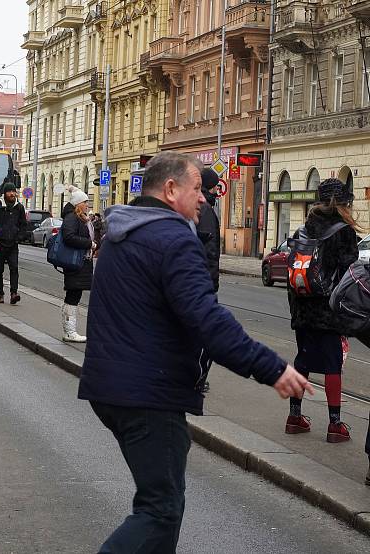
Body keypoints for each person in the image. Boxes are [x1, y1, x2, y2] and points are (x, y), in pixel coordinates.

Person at [78, 151, 312, 553]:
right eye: (197, 189)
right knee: (160, 509)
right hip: (149, 392)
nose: (204, 198)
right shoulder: (171, 239)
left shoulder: (122, 233)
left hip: (111, 385)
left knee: (163, 502)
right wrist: (271, 368)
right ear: (170, 190)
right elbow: (207, 319)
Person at [286, 178, 359, 443]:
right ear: (341, 204)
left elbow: (292, 269)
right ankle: (335, 425)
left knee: (302, 361)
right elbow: (350, 273)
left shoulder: (304, 229)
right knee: (332, 366)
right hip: (329, 309)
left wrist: (296, 308)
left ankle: (295, 417)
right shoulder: (344, 232)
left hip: (302, 307)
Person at [192, 167, 221, 393]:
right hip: (201, 282)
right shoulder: (206, 210)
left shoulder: (194, 203)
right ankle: (197, 379)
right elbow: (209, 250)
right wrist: (211, 285)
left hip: (193, 278)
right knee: (206, 334)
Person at [60, 189, 96, 343]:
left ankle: (70, 330)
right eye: (85, 202)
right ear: (78, 204)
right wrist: (89, 243)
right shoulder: (72, 218)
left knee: (74, 294)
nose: (87, 205)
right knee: (73, 295)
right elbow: (69, 237)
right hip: (75, 262)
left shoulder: (80, 218)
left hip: (80, 261)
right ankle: (69, 331)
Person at [0, 182, 28, 304]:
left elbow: (23, 225)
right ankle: (0, 293)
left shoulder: (19, 207)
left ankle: (13, 293)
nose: (12, 193)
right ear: (5, 193)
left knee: (14, 268)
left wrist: (19, 238)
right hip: (0, 243)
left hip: (13, 244)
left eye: (13, 191)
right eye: (9, 191)